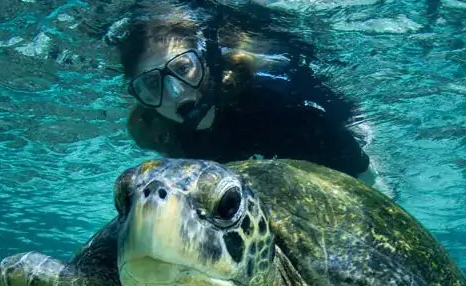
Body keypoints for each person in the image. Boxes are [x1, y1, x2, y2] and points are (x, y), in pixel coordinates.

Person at [106, 0, 375, 182]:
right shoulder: (162, 131)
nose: (175, 92)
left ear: (208, 62)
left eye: (182, 68)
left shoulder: (271, 99)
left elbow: (353, 158)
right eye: (152, 84)